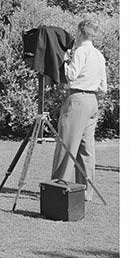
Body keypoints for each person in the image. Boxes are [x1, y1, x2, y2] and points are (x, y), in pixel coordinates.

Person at [50, 18, 108, 201]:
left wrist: (64, 61)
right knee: (86, 149)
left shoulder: (81, 51)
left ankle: (59, 187)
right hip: (93, 101)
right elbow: (103, 87)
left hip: (78, 99)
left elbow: (71, 75)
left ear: (81, 32)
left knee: (67, 143)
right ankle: (85, 192)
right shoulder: (99, 55)